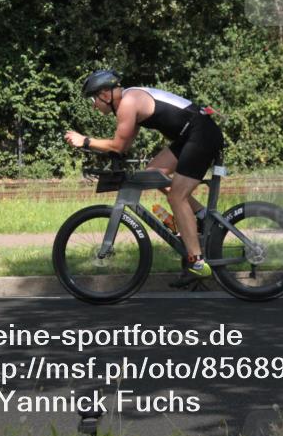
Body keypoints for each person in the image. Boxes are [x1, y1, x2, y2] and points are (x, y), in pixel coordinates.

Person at [65, 69, 224, 288]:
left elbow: (118, 145)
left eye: (94, 99)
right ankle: (202, 216)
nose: (94, 105)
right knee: (153, 173)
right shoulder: (128, 102)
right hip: (191, 134)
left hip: (201, 134)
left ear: (105, 94)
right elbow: (123, 146)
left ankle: (197, 262)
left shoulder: (128, 103)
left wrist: (84, 141)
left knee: (176, 197)